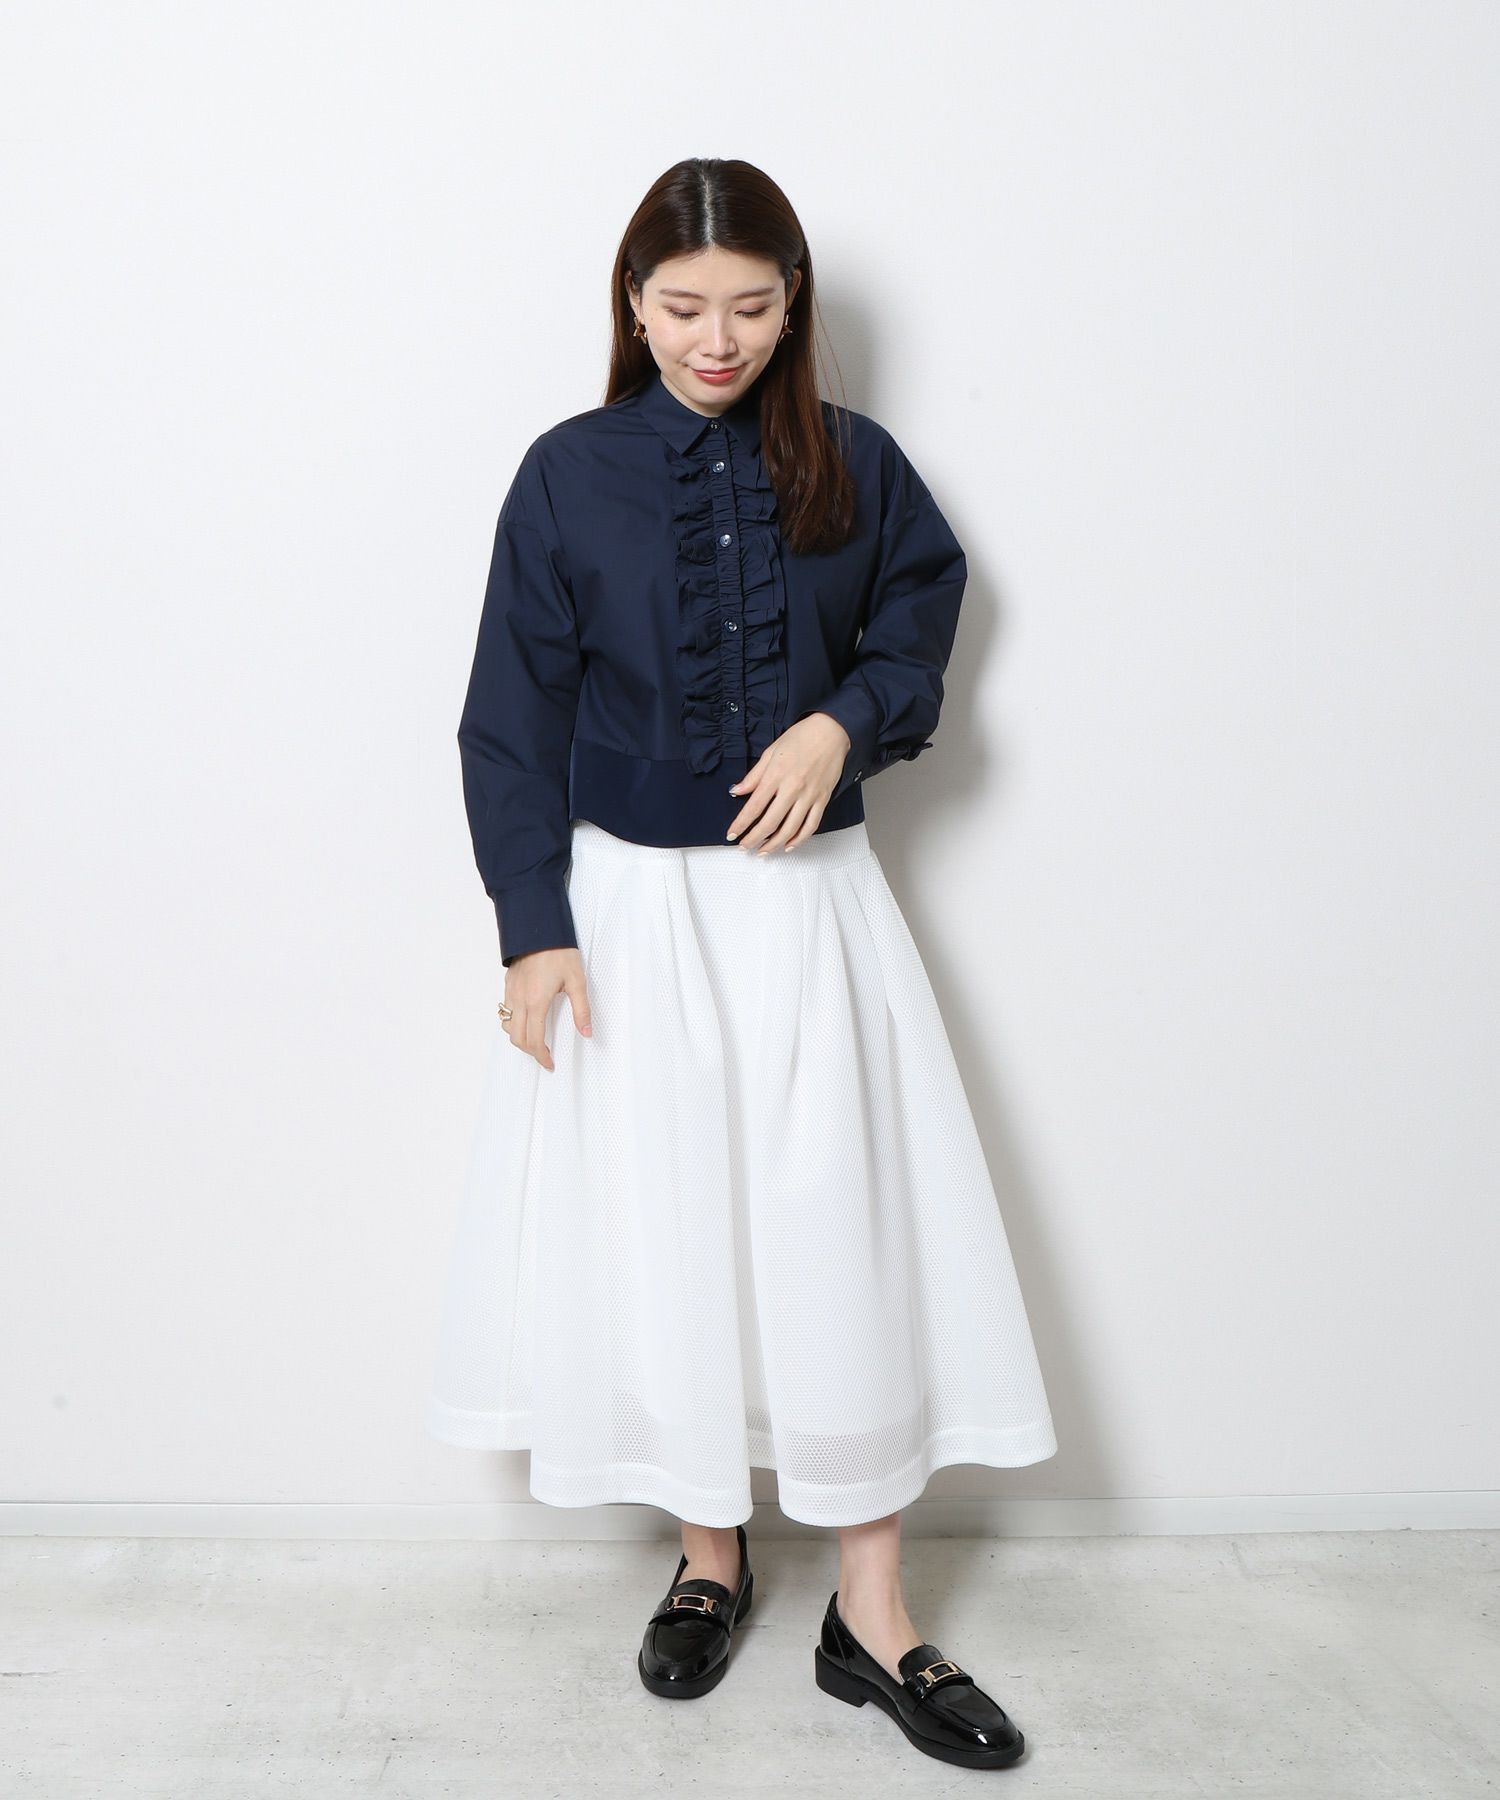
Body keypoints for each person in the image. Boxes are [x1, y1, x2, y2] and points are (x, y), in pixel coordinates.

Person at [427, 156, 1057, 1770]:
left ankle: (875, 1611)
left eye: (754, 307)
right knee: (670, 1226)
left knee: (844, 1228)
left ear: (794, 307)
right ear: (634, 306)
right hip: (632, 915)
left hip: (811, 906)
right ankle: (709, 1559)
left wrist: (845, 722)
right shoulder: (565, 475)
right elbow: (510, 717)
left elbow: (921, 618)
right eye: (687, 305)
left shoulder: (858, 463)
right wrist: (533, 927)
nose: (719, 338)